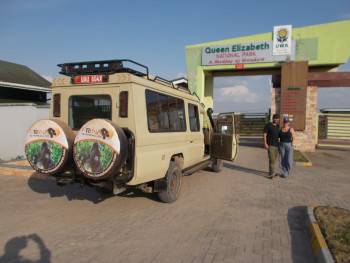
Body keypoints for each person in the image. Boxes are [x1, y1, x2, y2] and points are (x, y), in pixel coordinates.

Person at [263, 114, 280, 179]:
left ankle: (271, 172)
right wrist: (265, 143)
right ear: (273, 119)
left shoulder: (278, 126)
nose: (277, 120)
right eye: (276, 119)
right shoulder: (268, 125)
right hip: (270, 145)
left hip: (276, 146)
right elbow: (265, 134)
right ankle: (272, 174)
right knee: (272, 160)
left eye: (278, 119)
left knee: (273, 160)